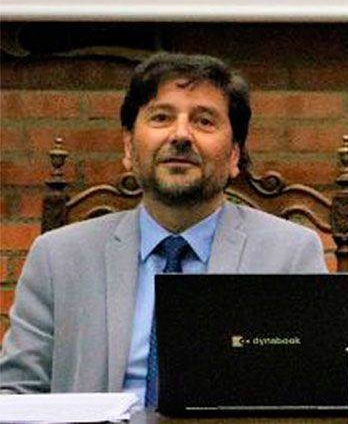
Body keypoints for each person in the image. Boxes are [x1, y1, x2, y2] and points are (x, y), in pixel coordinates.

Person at [0, 53, 327, 402]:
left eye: (204, 121)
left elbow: (316, 394)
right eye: (161, 117)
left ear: (234, 155)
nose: (181, 135)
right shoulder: (58, 257)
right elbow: (15, 394)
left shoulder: (290, 255)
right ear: (128, 147)